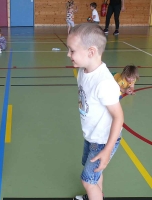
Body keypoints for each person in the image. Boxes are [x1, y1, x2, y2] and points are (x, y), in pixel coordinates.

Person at [66, 23, 124, 200]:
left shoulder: (104, 83)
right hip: (92, 136)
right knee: (94, 174)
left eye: (72, 50)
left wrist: (107, 149)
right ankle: (97, 195)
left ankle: (94, 195)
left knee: (88, 181)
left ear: (91, 52)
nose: (68, 54)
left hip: (102, 141)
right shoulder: (84, 71)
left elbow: (118, 116)